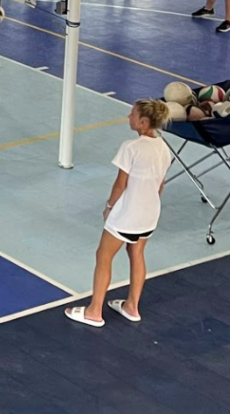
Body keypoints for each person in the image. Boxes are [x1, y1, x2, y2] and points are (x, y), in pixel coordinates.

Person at [65, 100, 172, 328]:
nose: (128, 116)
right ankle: (131, 306)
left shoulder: (130, 147)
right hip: (150, 214)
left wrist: (110, 206)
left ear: (143, 122)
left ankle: (94, 311)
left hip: (127, 215)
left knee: (103, 257)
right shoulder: (164, 148)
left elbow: (120, 184)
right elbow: (160, 185)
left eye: (132, 115)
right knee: (137, 254)